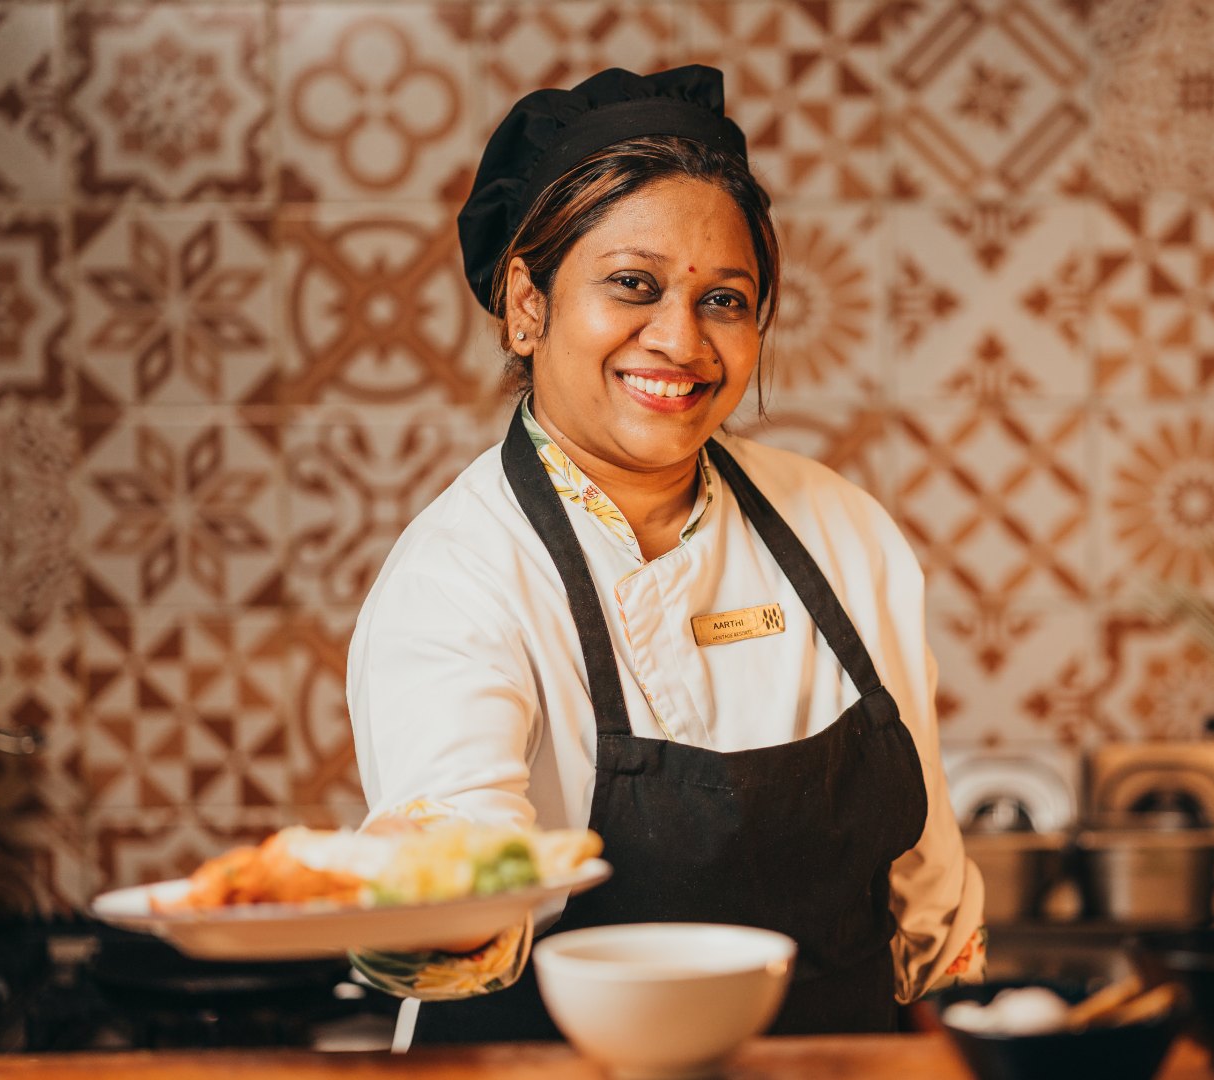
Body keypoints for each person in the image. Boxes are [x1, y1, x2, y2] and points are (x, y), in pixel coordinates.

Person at [346, 65, 985, 1045]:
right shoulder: (460, 574)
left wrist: (964, 1011)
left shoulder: (841, 528)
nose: (681, 340)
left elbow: (926, 881)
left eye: (723, 298)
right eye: (632, 285)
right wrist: (428, 891)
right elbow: (459, 835)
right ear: (527, 302)